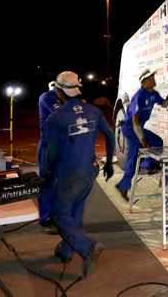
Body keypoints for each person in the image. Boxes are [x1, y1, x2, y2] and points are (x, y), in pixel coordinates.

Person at [42, 71, 115, 276]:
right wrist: (109, 161)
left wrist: (47, 170)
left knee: (59, 213)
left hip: (71, 172)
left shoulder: (56, 117)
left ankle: (85, 246)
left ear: (59, 91)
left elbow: (52, 150)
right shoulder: (93, 111)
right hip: (91, 169)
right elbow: (109, 134)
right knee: (76, 208)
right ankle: (66, 250)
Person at [115, 69, 168, 201]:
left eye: (153, 77)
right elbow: (135, 120)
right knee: (133, 156)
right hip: (131, 129)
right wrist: (141, 138)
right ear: (144, 82)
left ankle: (145, 167)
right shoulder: (139, 96)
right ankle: (125, 184)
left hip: (138, 127)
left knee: (157, 141)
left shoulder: (153, 94)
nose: (154, 79)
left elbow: (164, 105)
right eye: (151, 78)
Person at [37, 81, 61, 234]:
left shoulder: (65, 99)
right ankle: (46, 218)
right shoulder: (48, 97)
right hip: (49, 146)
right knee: (47, 182)